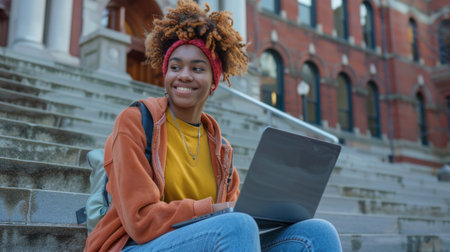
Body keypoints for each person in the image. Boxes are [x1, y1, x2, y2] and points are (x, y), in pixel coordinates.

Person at [84, 1, 343, 251]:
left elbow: (234, 216)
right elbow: (140, 221)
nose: (184, 75)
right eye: (175, 67)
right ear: (165, 74)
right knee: (236, 225)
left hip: (207, 241)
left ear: (213, 81)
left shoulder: (221, 149)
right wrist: (212, 210)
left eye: (197, 68)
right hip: (132, 245)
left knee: (318, 232)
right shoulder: (136, 121)